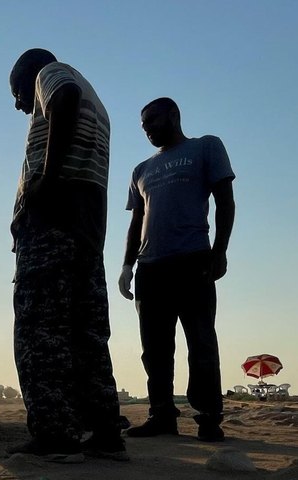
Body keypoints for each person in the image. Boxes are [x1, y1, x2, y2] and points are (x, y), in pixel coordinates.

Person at [6, 48, 125, 462]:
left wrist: (43, 182)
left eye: (16, 92)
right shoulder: (98, 101)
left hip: (53, 227)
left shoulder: (52, 75)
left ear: (27, 74)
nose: (20, 105)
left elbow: (64, 97)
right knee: (85, 333)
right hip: (86, 229)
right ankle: (105, 432)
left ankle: (54, 433)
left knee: (40, 332)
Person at [119, 97, 235, 442]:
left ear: (173, 115)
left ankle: (208, 416)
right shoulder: (141, 170)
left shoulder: (205, 147)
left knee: (200, 341)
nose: (148, 130)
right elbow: (137, 220)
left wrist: (220, 251)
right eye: (143, 127)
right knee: (154, 348)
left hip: (193, 259)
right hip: (150, 268)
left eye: (153, 122)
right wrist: (127, 265)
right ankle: (161, 415)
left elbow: (225, 201)